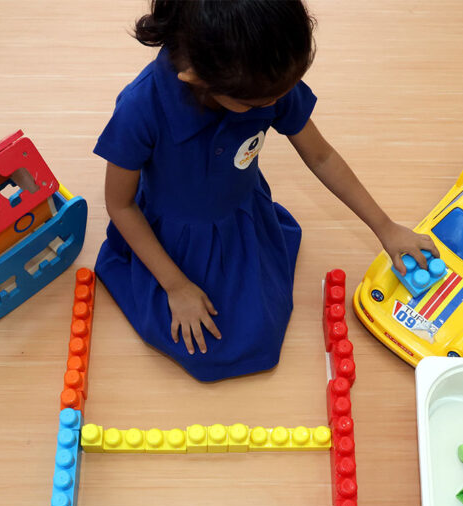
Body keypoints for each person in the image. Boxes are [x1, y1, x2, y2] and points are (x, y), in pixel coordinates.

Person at [94, 0, 438, 381]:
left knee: (258, 331)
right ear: (195, 78)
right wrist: (176, 286)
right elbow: (120, 206)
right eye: (259, 103)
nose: (276, 105)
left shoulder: (265, 73)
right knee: (209, 348)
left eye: (281, 93)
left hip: (241, 216)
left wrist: (385, 226)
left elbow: (321, 157)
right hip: (174, 238)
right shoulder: (141, 108)